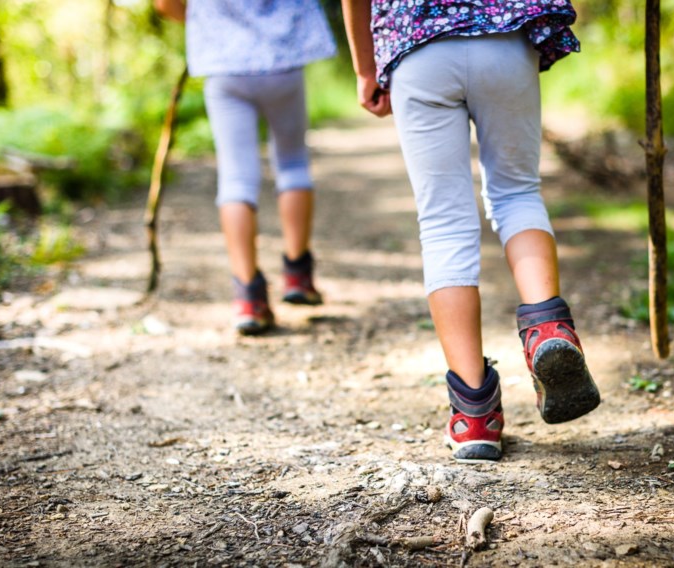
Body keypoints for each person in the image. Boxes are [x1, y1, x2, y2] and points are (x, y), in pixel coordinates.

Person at [341, 0, 601, 462]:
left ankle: (474, 413)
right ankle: (547, 328)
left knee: (443, 223)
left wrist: (367, 69)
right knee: (517, 193)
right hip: (505, 38)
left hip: (417, 47)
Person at [154, 0, 336, 335]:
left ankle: (248, 297)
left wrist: (205, 21)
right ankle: (298, 274)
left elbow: (165, 4)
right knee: (293, 163)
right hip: (284, 59)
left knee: (236, 178)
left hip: (225, 64)